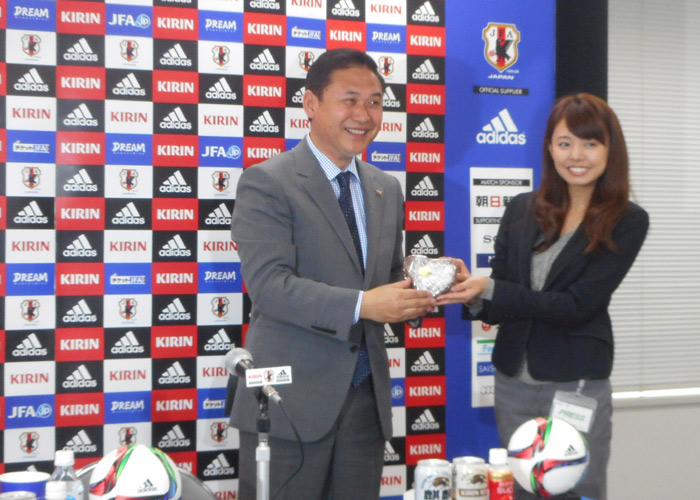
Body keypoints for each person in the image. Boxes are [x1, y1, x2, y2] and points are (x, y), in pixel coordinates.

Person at [227, 48, 436, 500]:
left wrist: (427, 284)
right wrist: (365, 305)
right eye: (350, 100)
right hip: (288, 403)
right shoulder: (267, 181)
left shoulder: (386, 188)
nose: (364, 115)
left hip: (365, 404)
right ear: (311, 103)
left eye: (375, 102)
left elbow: (383, 277)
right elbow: (270, 287)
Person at [437, 93, 649, 500]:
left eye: (590, 143)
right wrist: (470, 292)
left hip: (576, 385)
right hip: (512, 383)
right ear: (550, 147)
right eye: (565, 142)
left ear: (610, 150)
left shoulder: (627, 220)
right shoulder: (522, 209)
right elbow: (501, 297)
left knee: (577, 489)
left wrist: (492, 288)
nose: (577, 155)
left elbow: (577, 306)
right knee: (520, 490)